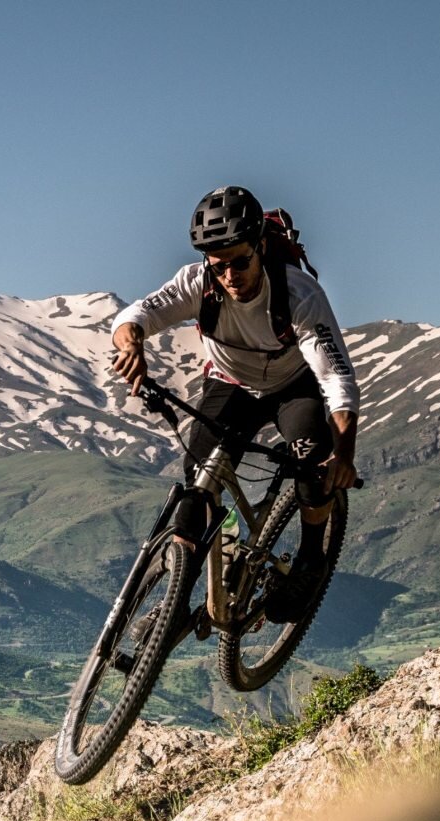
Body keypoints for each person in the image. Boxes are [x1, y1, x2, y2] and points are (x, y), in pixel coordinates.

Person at [110, 185, 359, 622]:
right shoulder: (197, 283)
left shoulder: (298, 295)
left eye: (241, 262)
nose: (230, 275)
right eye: (219, 265)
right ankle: (174, 604)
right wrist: (131, 345)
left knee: (313, 463)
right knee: (199, 489)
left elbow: (336, 377)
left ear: (261, 247)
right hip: (230, 383)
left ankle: (310, 559)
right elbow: (138, 315)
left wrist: (344, 453)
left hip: (292, 385)